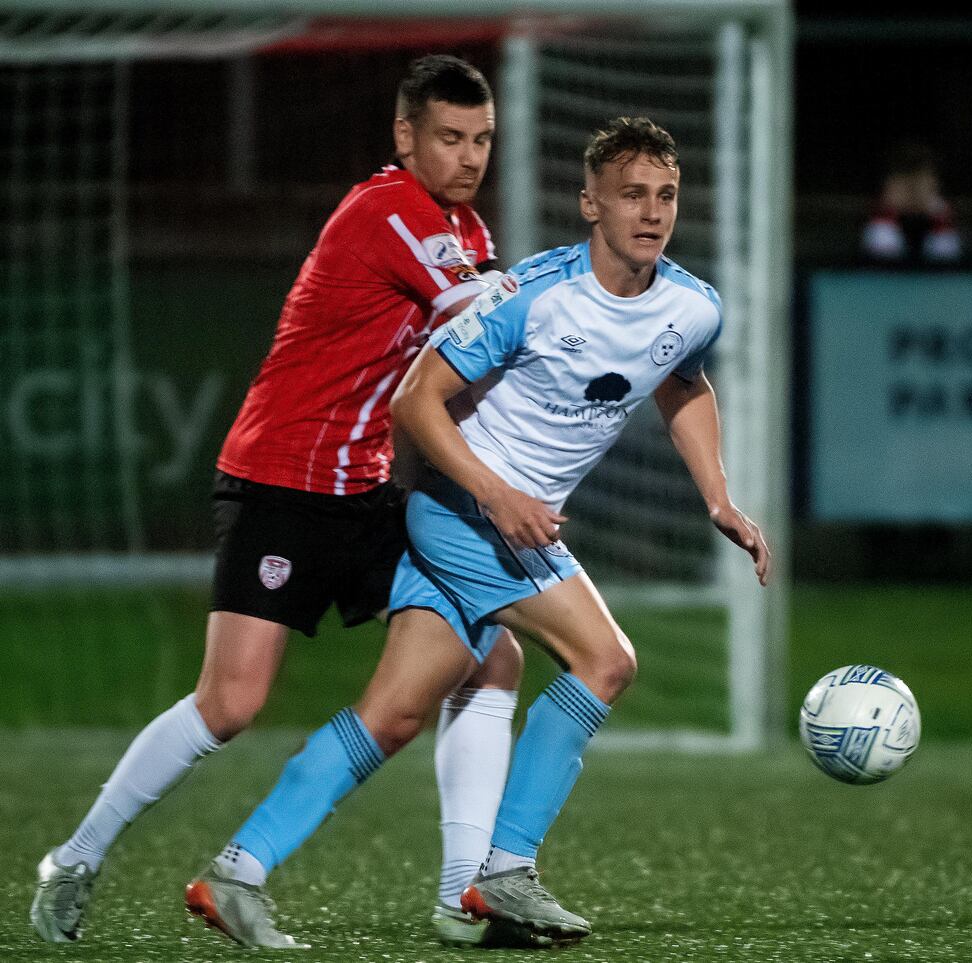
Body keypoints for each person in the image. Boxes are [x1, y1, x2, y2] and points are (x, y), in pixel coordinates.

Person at [190, 115, 770, 948]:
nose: (651, 212)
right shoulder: (528, 294)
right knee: (607, 660)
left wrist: (718, 496)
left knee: (391, 715)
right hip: (465, 510)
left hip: (498, 518)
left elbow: (685, 383)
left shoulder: (691, 306)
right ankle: (504, 874)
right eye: (631, 195)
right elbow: (414, 401)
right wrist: (496, 495)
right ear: (590, 205)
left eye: (666, 195)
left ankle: (237, 870)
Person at [30, 54, 525, 951]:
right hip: (281, 486)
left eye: (482, 139)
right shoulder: (387, 212)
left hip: (366, 491)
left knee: (490, 656)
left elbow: (477, 337)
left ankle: (466, 895)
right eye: (449, 137)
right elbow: (488, 316)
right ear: (404, 136)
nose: (468, 156)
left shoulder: (461, 224)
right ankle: (77, 855)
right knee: (229, 704)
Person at [861, 140, 962, 265]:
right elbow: (890, 203)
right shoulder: (892, 180)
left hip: (929, 227)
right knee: (882, 233)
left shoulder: (932, 185)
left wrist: (932, 211)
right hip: (895, 225)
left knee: (943, 243)